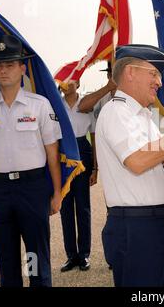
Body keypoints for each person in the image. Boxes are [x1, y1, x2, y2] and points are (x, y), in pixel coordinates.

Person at [96, 44, 164, 287]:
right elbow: (137, 161)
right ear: (130, 73)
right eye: (154, 74)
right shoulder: (115, 112)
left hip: (155, 222)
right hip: (135, 226)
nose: (159, 82)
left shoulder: (143, 116)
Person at [0, 34, 62, 287]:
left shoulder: (39, 105)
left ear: (22, 68)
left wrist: (56, 192)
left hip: (32, 189)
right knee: (8, 264)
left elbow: (52, 153)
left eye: (10, 64)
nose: (3, 70)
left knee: (35, 261)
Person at [58, 80, 97, 272]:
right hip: (63, 155)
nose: (67, 84)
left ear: (79, 83)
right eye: (64, 81)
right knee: (65, 207)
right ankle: (71, 256)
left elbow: (94, 135)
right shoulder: (56, 104)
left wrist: (96, 168)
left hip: (83, 151)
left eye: (72, 80)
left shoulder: (87, 105)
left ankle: (84, 255)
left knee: (83, 206)